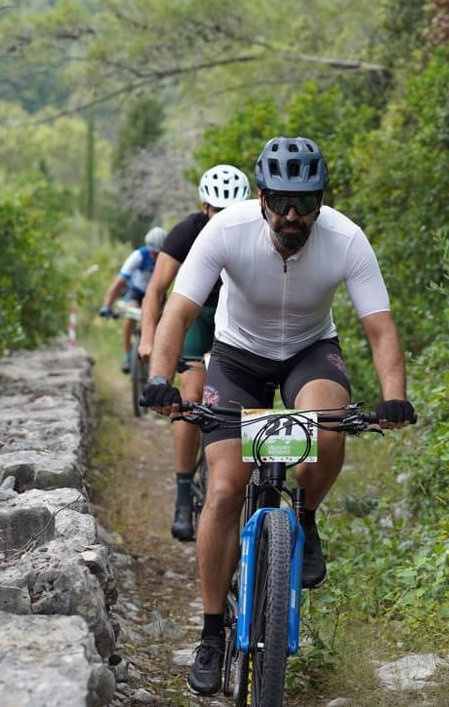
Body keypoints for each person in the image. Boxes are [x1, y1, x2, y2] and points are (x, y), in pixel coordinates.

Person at [141, 136, 416, 696]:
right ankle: (213, 631)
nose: (293, 216)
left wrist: (394, 396)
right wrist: (159, 381)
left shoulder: (345, 239)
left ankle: (306, 520)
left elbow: (380, 328)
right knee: (222, 489)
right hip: (238, 357)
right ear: (261, 196)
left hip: (310, 352)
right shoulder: (225, 231)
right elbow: (178, 311)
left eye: (306, 204)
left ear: (321, 201)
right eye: (282, 203)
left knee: (329, 424)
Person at [138, 164, 252, 541]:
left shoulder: (257, 228)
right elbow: (157, 290)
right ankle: (184, 496)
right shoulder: (187, 232)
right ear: (205, 208)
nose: (226, 220)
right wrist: (148, 339)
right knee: (190, 399)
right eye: (219, 212)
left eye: (233, 211)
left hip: (235, 317)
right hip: (197, 317)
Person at [99, 225, 167, 373]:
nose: (156, 256)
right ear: (148, 249)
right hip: (136, 292)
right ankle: (127, 356)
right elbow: (118, 283)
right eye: (153, 252)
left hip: (158, 294)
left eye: (159, 253)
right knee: (130, 317)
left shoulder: (170, 257)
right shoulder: (139, 256)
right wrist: (107, 306)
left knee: (163, 323)